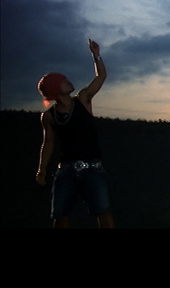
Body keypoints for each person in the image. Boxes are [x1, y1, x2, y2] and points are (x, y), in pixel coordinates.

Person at [36, 39, 114, 228]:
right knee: (60, 216)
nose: (67, 81)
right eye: (62, 81)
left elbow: (101, 76)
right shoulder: (49, 116)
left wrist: (96, 56)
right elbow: (48, 143)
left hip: (93, 168)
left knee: (103, 212)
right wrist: (42, 169)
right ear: (55, 89)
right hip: (67, 170)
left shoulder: (83, 99)